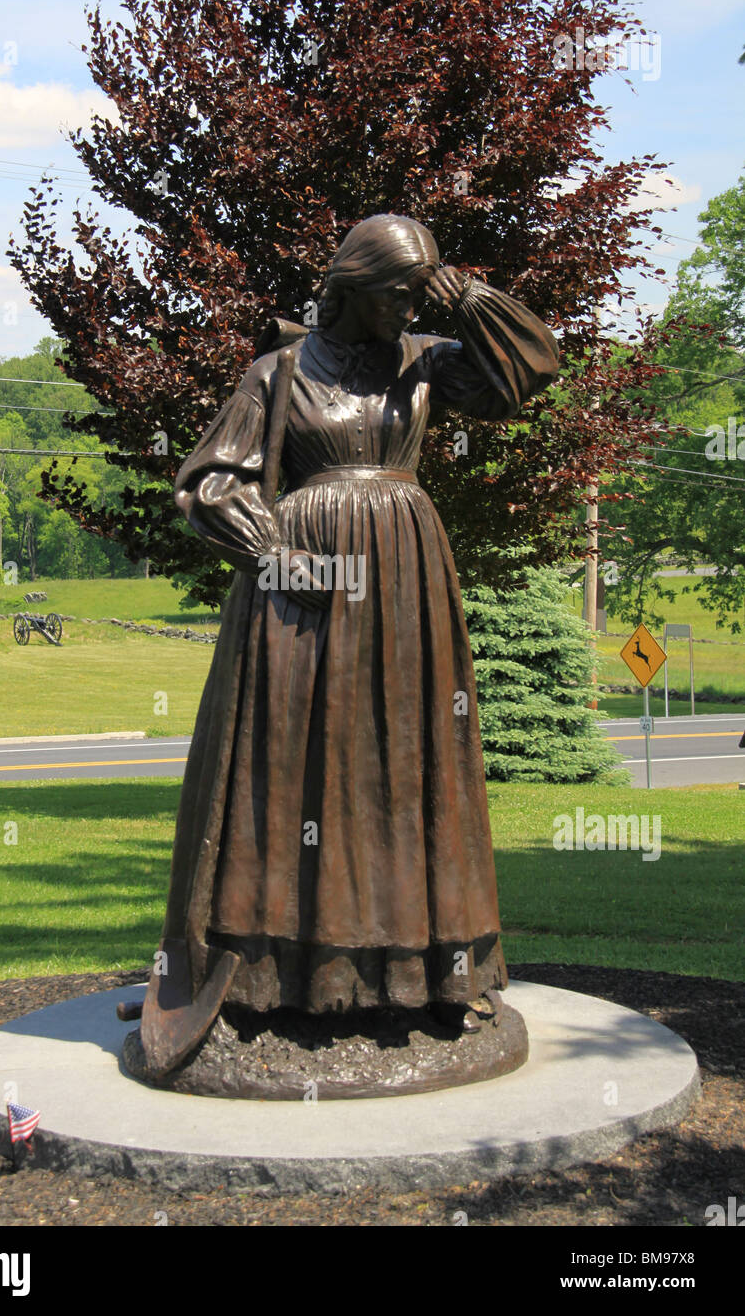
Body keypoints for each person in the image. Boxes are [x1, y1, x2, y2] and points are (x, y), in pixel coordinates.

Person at [152, 213, 559, 1039]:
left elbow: (533, 369)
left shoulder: (427, 365)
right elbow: (208, 485)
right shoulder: (279, 372)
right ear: (354, 288)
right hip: (302, 595)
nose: (409, 311)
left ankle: (422, 969)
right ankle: (287, 974)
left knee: (410, 767)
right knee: (296, 767)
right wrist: (270, 553)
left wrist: (468, 297)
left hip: (407, 581)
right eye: (400, 294)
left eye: (421, 295)